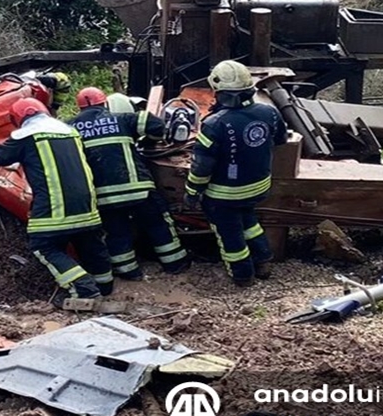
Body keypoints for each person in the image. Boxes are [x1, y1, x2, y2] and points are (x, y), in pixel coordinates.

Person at [0, 98, 114, 307]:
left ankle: (85, 290)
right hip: (87, 206)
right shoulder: (69, 131)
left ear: (18, 119)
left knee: (44, 246)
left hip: (54, 208)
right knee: (91, 244)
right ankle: (106, 287)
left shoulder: (27, 136)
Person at [69, 87, 190, 280]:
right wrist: (148, 140)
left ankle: (129, 272)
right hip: (138, 189)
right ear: (104, 103)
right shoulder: (122, 119)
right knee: (158, 224)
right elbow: (156, 125)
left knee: (116, 233)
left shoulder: (70, 127)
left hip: (103, 195)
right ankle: (175, 264)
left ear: (79, 108)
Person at [184, 60, 288, 287]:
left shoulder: (214, 124)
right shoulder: (268, 112)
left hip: (225, 195)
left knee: (229, 234)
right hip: (259, 187)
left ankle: (242, 276)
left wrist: (192, 192)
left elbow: (201, 167)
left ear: (218, 90)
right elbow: (281, 140)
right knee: (249, 221)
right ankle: (263, 262)